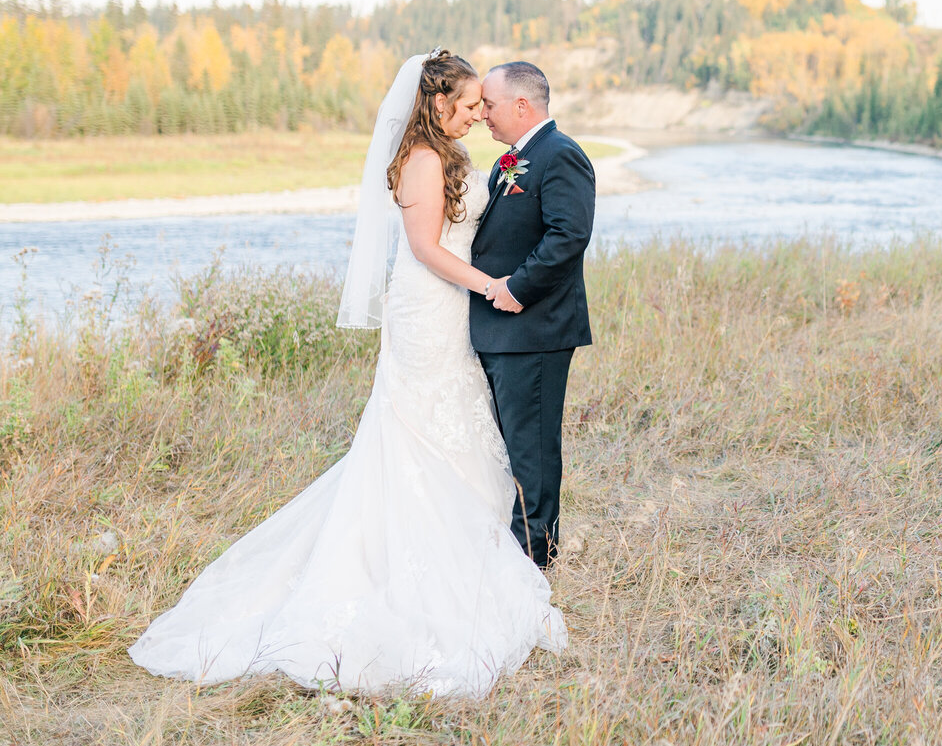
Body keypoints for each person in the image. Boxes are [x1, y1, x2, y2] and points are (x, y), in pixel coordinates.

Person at [129, 50, 566, 698]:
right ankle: (405, 573)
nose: (479, 113)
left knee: (461, 425)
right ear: (438, 102)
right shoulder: (421, 159)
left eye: (483, 104)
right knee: (417, 430)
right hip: (427, 312)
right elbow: (424, 249)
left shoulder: (453, 154)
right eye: (470, 103)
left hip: (454, 312)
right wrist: (491, 285)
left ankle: (470, 557)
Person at [471, 61, 596, 567]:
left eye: (490, 104)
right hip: (503, 332)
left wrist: (517, 289)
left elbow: (568, 235)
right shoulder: (518, 158)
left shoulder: (560, 155)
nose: (482, 115)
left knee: (532, 453)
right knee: (511, 449)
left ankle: (535, 563)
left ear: (522, 105)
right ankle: (517, 551)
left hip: (534, 330)